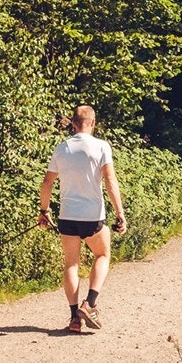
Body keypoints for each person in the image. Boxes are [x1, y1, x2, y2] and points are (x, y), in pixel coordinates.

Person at [38, 105, 126, 333]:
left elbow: (47, 182)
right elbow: (110, 181)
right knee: (103, 255)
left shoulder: (62, 148)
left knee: (71, 264)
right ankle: (91, 303)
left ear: (73, 124)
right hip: (93, 216)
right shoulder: (101, 146)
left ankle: (74, 319)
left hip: (67, 216)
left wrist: (44, 211)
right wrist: (120, 213)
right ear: (93, 122)